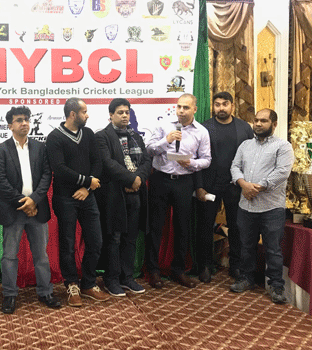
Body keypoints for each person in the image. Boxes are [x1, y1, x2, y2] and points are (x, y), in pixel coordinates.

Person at [0, 106, 61, 314]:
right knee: (9, 255)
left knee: (41, 255)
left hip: (37, 209)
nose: (24, 123)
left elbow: (47, 176)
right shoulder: (1, 149)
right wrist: (24, 202)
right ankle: (9, 294)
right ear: (10, 125)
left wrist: (34, 200)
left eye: (26, 120)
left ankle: (45, 292)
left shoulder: (40, 147)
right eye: (19, 120)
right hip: (12, 210)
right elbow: (0, 181)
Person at [45, 97, 109, 307]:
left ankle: (89, 283)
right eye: (84, 111)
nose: (87, 115)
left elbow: (97, 162)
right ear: (73, 114)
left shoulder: (88, 134)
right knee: (68, 244)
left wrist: (87, 187)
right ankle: (72, 284)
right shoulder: (55, 137)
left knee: (95, 241)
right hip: (65, 198)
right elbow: (59, 169)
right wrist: (87, 181)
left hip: (87, 196)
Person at [145, 93, 211, 289]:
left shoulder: (202, 132)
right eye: (179, 106)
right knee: (155, 226)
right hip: (160, 179)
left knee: (182, 227)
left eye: (186, 107)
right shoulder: (164, 125)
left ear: (194, 110)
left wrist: (192, 163)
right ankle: (153, 270)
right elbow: (149, 150)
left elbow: (207, 160)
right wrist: (166, 140)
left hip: (184, 181)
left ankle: (179, 270)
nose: (181, 111)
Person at [229, 109, 293, 304]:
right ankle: (246, 278)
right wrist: (243, 184)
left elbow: (282, 172)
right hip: (246, 206)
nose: (257, 124)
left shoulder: (283, 146)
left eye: (263, 121)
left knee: (272, 249)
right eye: (256, 120)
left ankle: (276, 286)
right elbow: (234, 167)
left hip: (271, 208)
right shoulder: (245, 145)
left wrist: (257, 187)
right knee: (246, 246)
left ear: (274, 124)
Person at [194, 92, 254, 283]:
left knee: (236, 226)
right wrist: (199, 186)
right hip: (209, 186)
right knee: (205, 226)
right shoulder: (204, 128)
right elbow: (196, 159)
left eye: (225, 104)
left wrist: (247, 184)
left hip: (235, 186)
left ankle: (236, 265)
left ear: (232, 106)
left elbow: (252, 157)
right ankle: (205, 266)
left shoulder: (244, 128)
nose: (221, 108)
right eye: (217, 104)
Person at [95, 98, 151, 297]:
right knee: (114, 238)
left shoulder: (135, 136)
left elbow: (146, 161)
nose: (125, 116)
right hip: (114, 195)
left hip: (135, 194)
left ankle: (127, 277)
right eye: (120, 112)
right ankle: (111, 279)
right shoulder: (102, 137)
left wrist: (138, 180)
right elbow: (107, 163)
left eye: (127, 112)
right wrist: (130, 179)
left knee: (131, 238)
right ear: (111, 115)